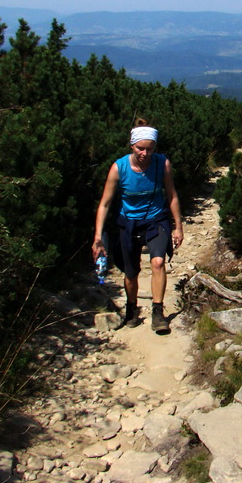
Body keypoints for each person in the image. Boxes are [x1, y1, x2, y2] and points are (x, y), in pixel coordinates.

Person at [92, 120, 184, 332]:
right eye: (140, 148)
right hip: (129, 224)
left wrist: (177, 226)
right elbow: (105, 203)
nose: (144, 153)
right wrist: (98, 236)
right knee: (131, 272)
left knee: (158, 262)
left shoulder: (162, 164)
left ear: (155, 148)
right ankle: (132, 308)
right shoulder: (119, 168)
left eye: (149, 149)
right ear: (131, 145)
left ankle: (158, 311)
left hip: (156, 219)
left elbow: (171, 195)